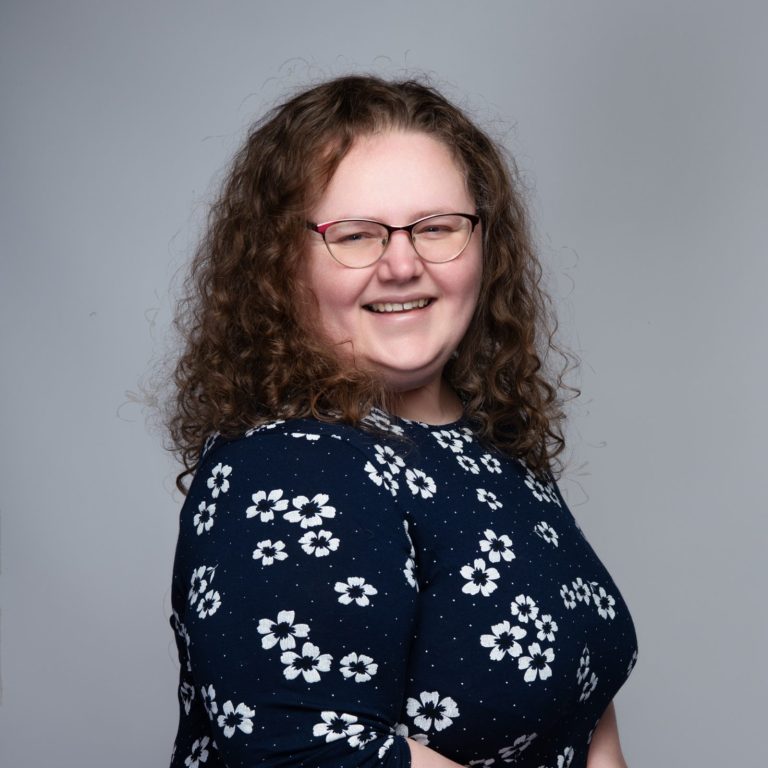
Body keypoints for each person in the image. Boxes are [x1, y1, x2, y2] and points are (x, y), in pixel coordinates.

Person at [167, 75, 637, 768]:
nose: (402, 265)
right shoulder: (286, 468)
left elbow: (583, 703)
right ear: (278, 264)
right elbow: (313, 753)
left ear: (485, 244)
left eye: (436, 228)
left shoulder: (488, 445)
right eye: (355, 236)